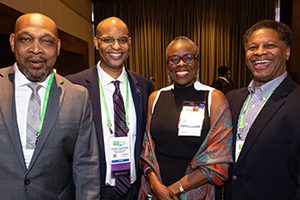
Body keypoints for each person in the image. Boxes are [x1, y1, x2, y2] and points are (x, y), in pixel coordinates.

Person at [0, 13, 100, 199]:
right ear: (13, 42)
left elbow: (86, 166)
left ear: (58, 46)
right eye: (26, 39)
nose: (36, 49)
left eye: (46, 41)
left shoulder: (77, 97)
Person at [66, 16, 153, 199]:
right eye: (108, 40)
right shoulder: (74, 86)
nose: (116, 47)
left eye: (122, 40)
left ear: (129, 43)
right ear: (96, 42)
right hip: (93, 190)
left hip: (133, 190)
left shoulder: (143, 86)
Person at [138, 36, 233, 200]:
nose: (181, 63)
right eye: (174, 58)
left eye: (188, 57)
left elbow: (220, 159)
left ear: (197, 61)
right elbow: (146, 151)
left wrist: (174, 190)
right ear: (168, 64)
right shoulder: (155, 97)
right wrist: (155, 186)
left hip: (196, 192)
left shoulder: (214, 98)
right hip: (155, 192)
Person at [224, 19, 300, 200]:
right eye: (252, 47)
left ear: (287, 52)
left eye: (269, 45)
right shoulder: (232, 99)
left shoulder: (296, 102)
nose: (259, 52)